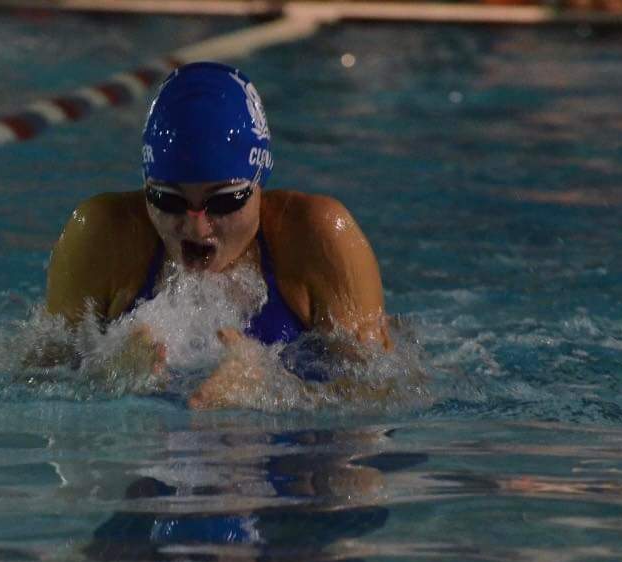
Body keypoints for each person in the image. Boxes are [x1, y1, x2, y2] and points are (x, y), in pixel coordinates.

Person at [43, 61, 390, 409]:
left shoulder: (317, 237)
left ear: (259, 181)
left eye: (225, 201)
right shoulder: (103, 235)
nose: (197, 228)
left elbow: (384, 395)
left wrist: (270, 389)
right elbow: (32, 381)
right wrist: (108, 373)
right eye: (168, 200)